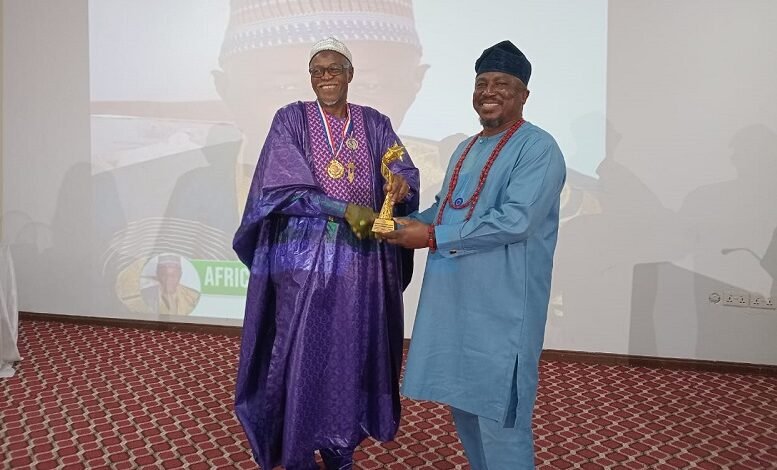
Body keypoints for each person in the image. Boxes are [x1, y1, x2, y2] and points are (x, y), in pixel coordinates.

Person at [232, 37, 420, 469]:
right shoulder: (290, 119)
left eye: (333, 69)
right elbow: (282, 187)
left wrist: (400, 181)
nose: (325, 78)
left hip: (361, 261)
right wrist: (342, 209)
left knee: (351, 351)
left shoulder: (374, 122)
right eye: (317, 71)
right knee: (302, 351)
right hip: (303, 259)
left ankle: (340, 447)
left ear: (350, 74)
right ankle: (297, 449)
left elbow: (400, 162)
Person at [381, 40, 566, 469]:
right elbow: (446, 208)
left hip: (503, 308)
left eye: (502, 84)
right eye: (482, 82)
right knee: (464, 406)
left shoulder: (539, 148)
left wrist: (429, 236)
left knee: (500, 418)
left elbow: (515, 221)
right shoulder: (466, 148)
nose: (489, 91)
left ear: (524, 94)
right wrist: (394, 222)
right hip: (455, 300)